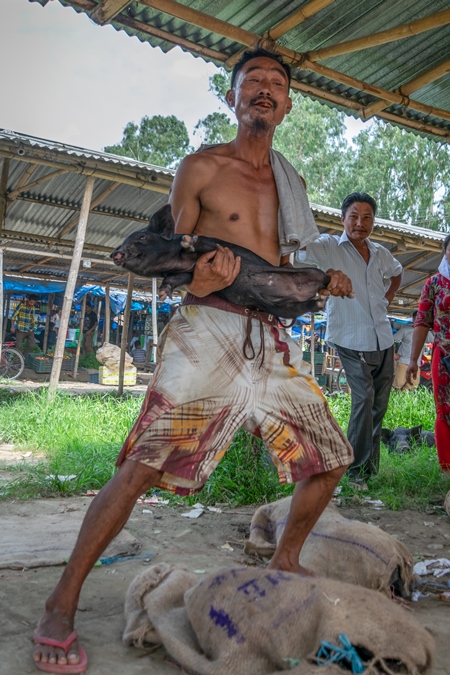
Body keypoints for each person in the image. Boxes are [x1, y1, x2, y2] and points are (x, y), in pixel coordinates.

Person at [33, 48, 354, 671]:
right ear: (231, 99)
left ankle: (285, 559)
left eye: (276, 84)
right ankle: (61, 602)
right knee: (144, 465)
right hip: (209, 330)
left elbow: (276, 273)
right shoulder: (201, 168)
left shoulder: (292, 183)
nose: (265, 90)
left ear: (287, 104)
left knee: (328, 458)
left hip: (270, 340)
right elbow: (171, 256)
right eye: (252, 82)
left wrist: (319, 282)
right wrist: (200, 284)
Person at [298, 193, 403, 487]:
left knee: (379, 403)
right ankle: (355, 471)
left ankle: (370, 469)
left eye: (367, 217)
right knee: (364, 398)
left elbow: (398, 272)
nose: (360, 223)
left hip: (382, 338)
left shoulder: (380, 252)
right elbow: (297, 254)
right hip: (350, 336)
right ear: (343, 219)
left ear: (373, 221)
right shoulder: (329, 246)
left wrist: (388, 297)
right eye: (354, 217)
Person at [406, 234, 450, 472]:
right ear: (445, 252)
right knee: (444, 412)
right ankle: (446, 471)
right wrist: (413, 360)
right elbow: (422, 322)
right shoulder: (434, 284)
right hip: (444, 358)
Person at [393, 312, 433, 390]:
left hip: (416, 363)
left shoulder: (425, 332)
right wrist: (393, 354)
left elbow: (432, 340)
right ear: (413, 319)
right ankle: (396, 399)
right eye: (416, 319)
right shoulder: (405, 330)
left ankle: (403, 399)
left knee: (413, 384)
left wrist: (426, 327)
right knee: (398, 383)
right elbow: (391, 341)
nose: (418, 321)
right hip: (403, 361)